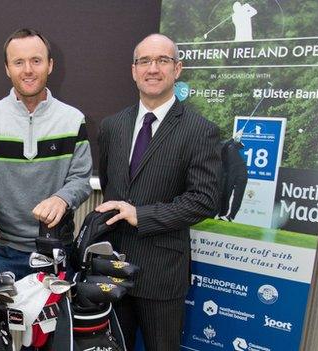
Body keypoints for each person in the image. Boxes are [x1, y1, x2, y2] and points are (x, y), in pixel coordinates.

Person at [95, 33, 222, 350]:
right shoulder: (112, 126)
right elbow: (110, 185)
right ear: (134, 70)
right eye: (145, 61)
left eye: (162, 60)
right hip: (114, 271)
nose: (153, 69)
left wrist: (141, 215)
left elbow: (204, 200)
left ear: (177, 69)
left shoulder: (199, 130)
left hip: (162, 276)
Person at [0, 28, 92, 279]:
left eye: (36, 60)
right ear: (7, 68)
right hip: (1, 252)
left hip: (55, 249)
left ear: (50, 65)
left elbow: (80, 179)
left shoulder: (73, 119)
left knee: (56, 319)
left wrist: (62, 199)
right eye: (18, 62)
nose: (28, 70)